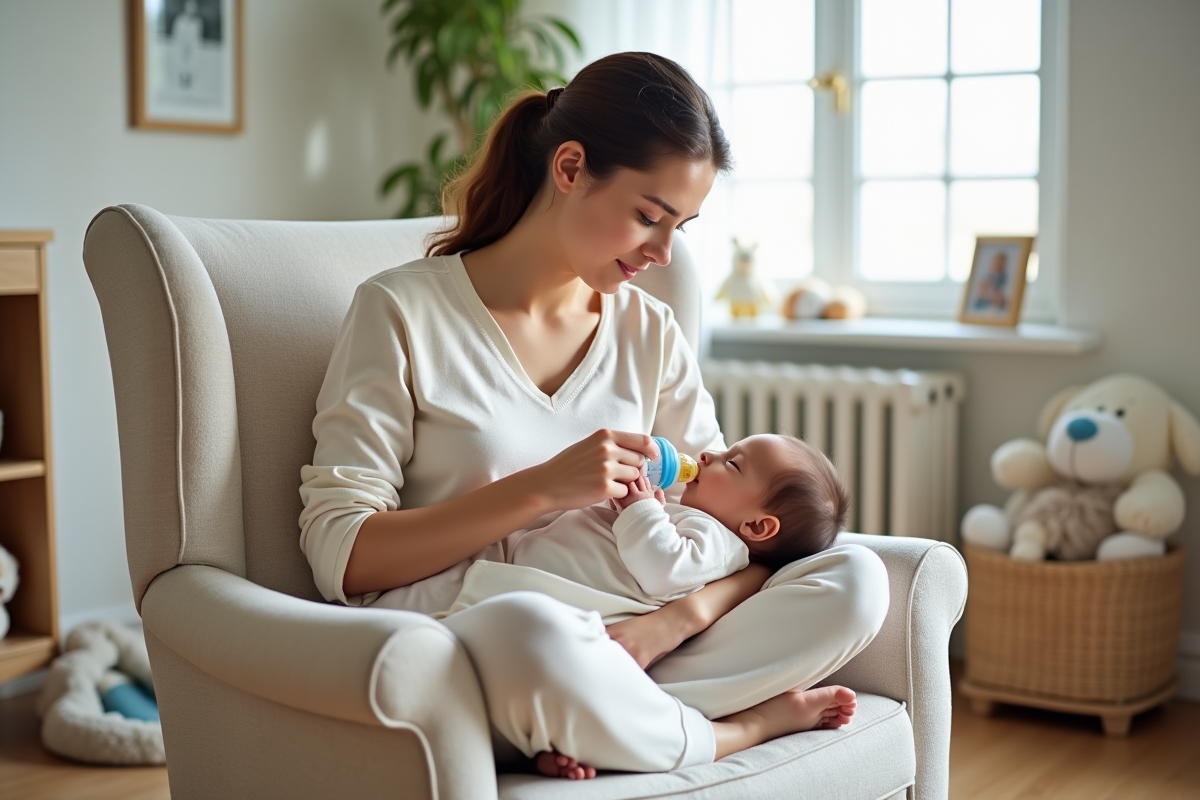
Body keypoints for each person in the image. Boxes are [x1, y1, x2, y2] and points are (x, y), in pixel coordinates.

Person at [299, 51, 889, 781]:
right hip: (489, 635)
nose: (664, 253)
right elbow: (340, 555)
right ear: (571, 168)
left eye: (682, 227)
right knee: (533, 631)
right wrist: (541, 488)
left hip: (634, 647)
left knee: (856, 579)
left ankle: (604, 720)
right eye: (649, 216)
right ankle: (729, 730)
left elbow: (742, 535)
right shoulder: (402, 312)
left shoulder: (649, 332)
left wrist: (668, 625)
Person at [443, 434, 848, 620]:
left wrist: (642, 510)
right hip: (508, 564)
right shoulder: (687, 514)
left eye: (733, 462)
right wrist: (644, 504)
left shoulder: (721, 545)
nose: (709, 454)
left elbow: (665, 570)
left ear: (758, 526)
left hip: (549, 602)